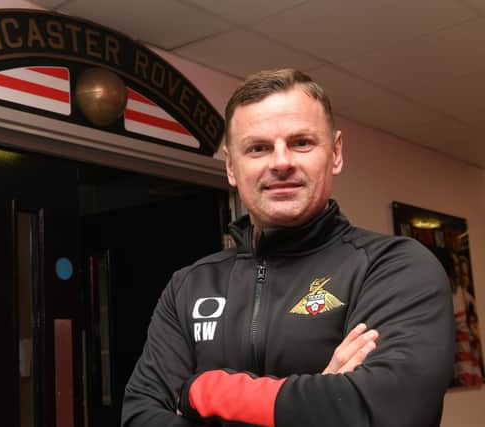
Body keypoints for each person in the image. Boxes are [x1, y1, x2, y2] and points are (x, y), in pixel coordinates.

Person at [121, 68, 454, 427]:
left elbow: (386, 412)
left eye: (301, 143)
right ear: (232, 167)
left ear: (336, 153)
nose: (281, 162)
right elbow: (140, 416)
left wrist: (204, 392)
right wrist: (319, 405)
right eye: (258, 148)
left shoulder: (394, 268)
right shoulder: (189, 287)